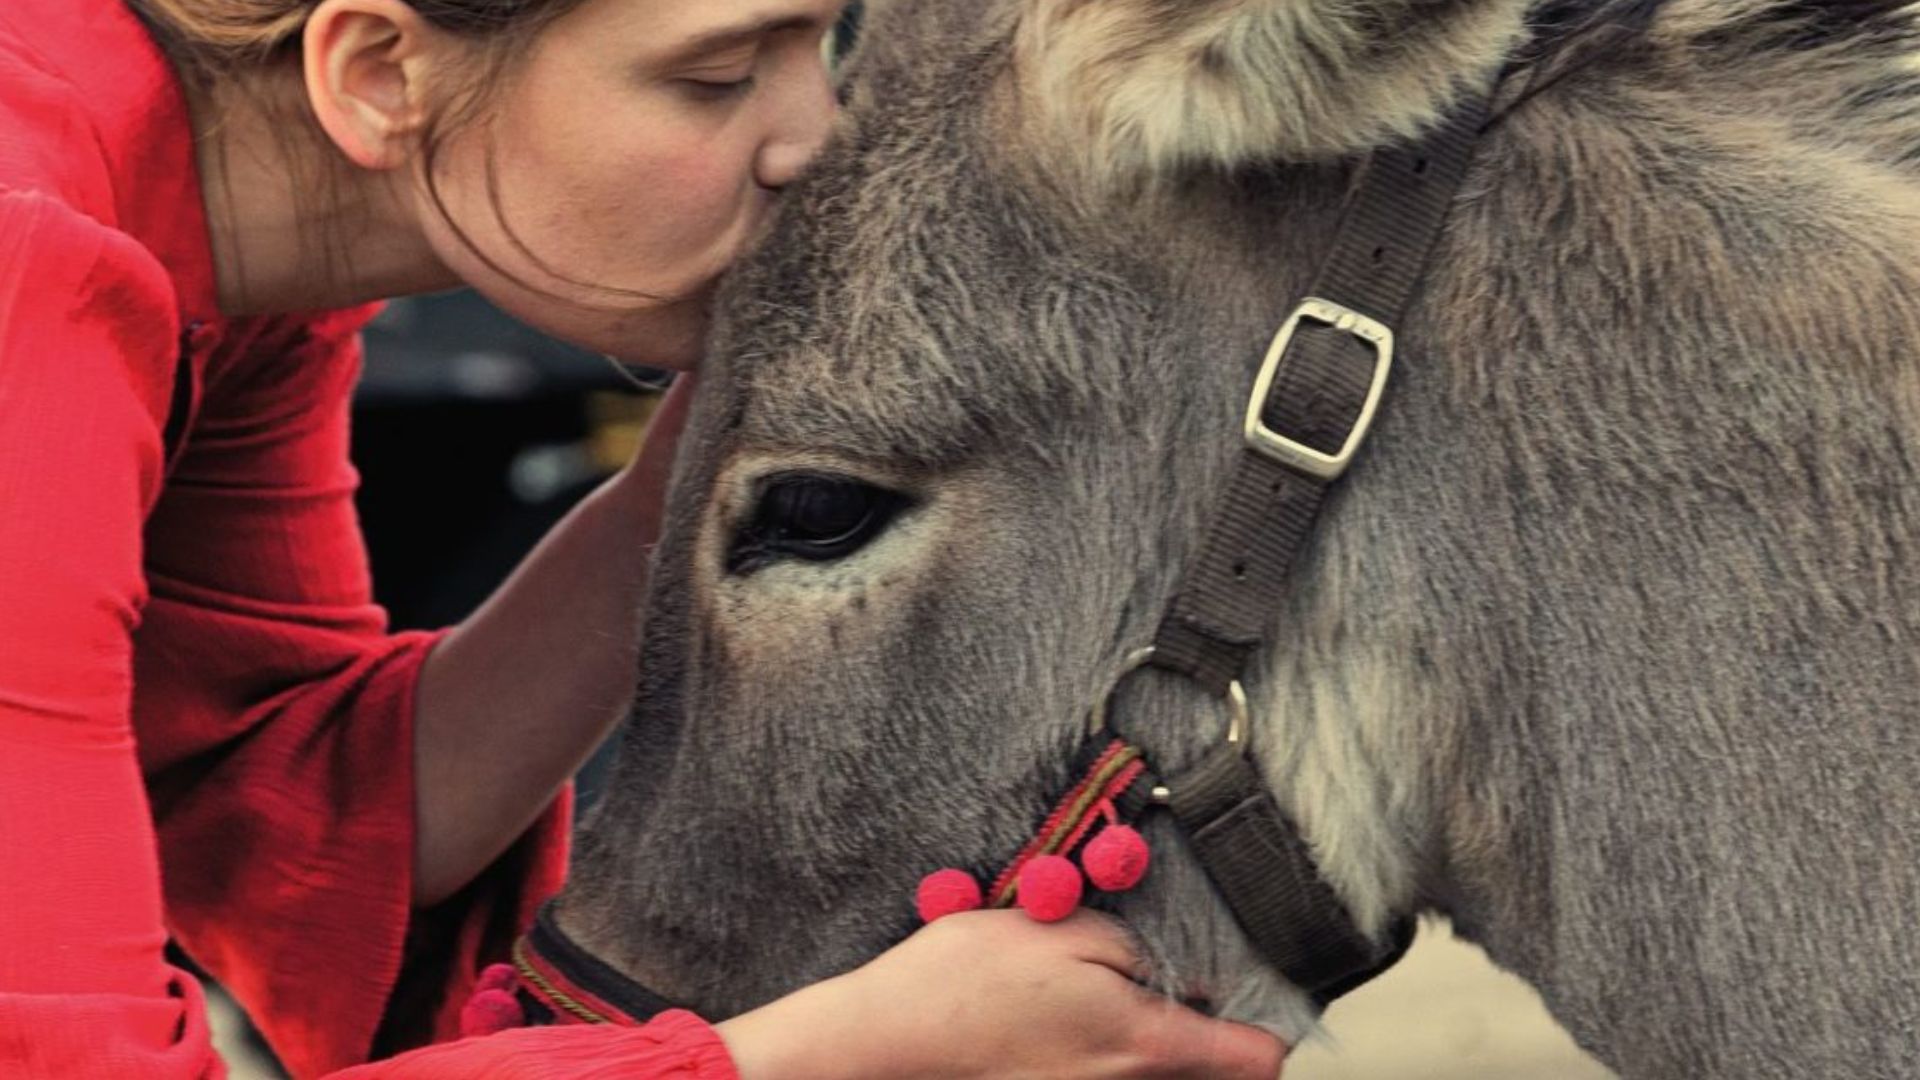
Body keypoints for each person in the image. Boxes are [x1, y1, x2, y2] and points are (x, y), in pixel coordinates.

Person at [0, 0, 1291, 1076]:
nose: (813, 146)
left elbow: (275, 804)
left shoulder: (212, 255)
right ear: (380, 73)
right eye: (716, 76)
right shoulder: (25, 276)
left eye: (819, 48)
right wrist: (841, 1049)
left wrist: (686, 488)